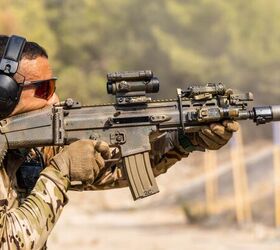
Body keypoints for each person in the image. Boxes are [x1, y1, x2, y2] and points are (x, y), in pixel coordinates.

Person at [0, 35, 239, 249]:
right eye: (44, 89)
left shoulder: (27, 149)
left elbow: (114, 169)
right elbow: (9, 242)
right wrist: (59, 172)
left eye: (53, 87)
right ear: (4, 93)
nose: (55, 99)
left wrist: (184, 140)